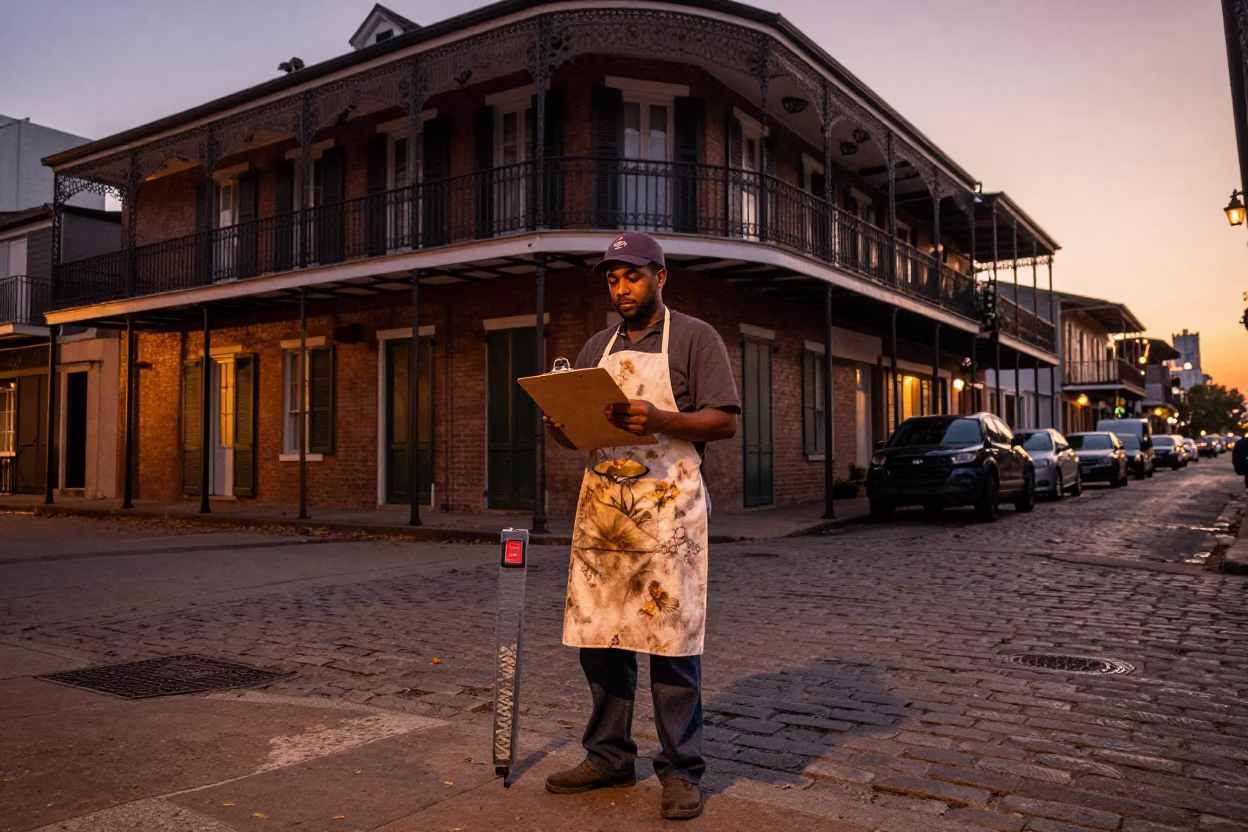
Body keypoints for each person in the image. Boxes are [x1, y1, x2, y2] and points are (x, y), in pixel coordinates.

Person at [543, 232, 739, 820]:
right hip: (605, 509)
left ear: (660, 276)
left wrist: (661, 418)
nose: (621, 288)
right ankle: (608, 755)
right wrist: (560, 422)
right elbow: (577, 433)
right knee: (600, 638)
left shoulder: (696, 337)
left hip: (669, 511)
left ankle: (681, 770)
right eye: (612, 278)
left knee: (671, 642)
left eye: (632, 276)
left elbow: (724, 421)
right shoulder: (596, 346)